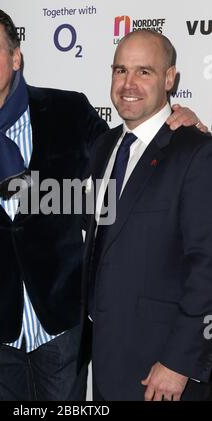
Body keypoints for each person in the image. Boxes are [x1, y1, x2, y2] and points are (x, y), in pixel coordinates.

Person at [0, 7, 205, 401]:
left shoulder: (68, 110)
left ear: (15, 57)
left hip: (62, 325)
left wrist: (182, 119)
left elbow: (133, 158)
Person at [82, 29, 212, 401]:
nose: (128, 84)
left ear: (169, 79)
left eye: (144, 72)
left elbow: (207, 268)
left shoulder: (198, 153)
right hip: (108, 355)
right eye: (120, 70)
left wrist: (179, 363)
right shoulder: (105, 145)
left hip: (164, 367)